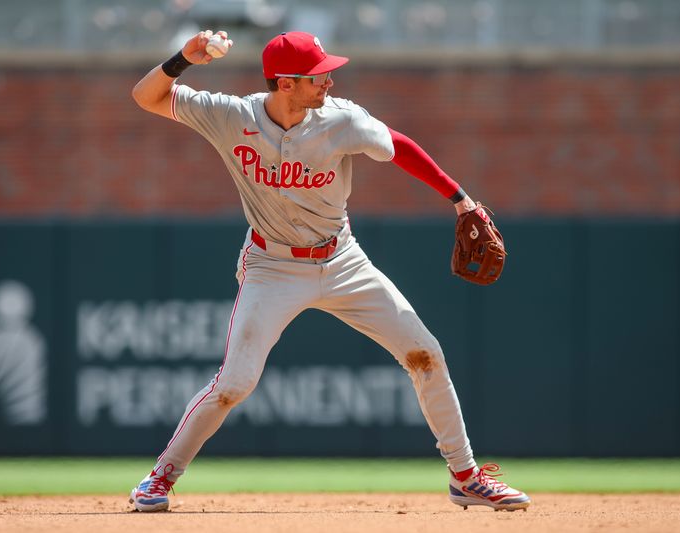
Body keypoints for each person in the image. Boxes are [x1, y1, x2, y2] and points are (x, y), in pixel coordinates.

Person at [129, 29, 530, 513]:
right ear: (285, 84)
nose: (329, 80)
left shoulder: (341, 120)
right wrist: (183, 59)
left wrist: (461, 199)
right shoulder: (230, 115)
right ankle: (160, 477)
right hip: (271, 266)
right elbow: (146, 97)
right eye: (317, 75)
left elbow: (396, 145)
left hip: (343, 261)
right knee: (235, 384)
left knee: (425, 353)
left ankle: (465, 477)